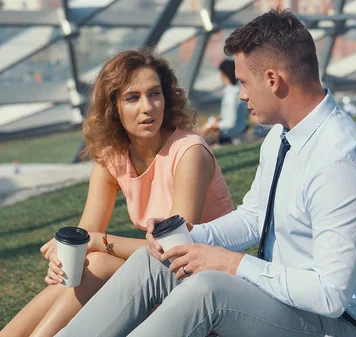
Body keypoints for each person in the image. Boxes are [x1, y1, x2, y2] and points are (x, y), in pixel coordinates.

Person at [56, 9, 356, 337]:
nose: (240, 96)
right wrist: (194, 237)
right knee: (157, 259)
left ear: (273, 80)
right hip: (281, 297)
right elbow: (255, 217)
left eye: (243, 83)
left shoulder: (339, 162)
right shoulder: (281, 137)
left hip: (339, 324)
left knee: (210, 290)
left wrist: (231, 264)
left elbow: (330, 295)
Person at [0, 49, 234, 337]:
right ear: (114, 107)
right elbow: (87, 234)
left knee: (99, 261)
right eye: (132, 98)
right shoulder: (112, 157)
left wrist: (103, 242)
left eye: (154, 94)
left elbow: (174, 252)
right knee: (84, 266)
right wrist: (63, 262)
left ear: (167, 97)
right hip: (155, 276)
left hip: (204, 283)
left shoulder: (189, 153)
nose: (148, 107)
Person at [200, 59, 249, 145]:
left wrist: (210, 126)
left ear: (223, 74)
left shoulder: (232, 95)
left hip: (233, 139)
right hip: (240, 135)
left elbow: (230, 123)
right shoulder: (238, 90)